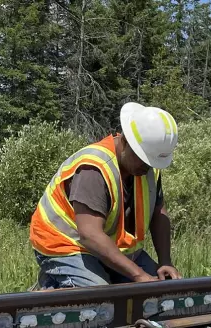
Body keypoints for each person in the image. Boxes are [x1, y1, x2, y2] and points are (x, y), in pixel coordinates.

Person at [29, 102, 182, 288]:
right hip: (66, 245)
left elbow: (159, 214)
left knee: (160, 291)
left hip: (110, 245)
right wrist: (138, 275)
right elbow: (90, 235)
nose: (148, 166)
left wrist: (165, 261)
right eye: (143, 159)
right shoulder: (94, 169)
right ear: (125, 142)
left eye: (152, 161)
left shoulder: (148, 169)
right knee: (102, 300)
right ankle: (53, 285)